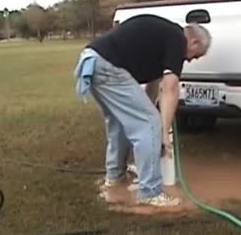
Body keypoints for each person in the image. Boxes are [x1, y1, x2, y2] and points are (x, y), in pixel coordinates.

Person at [74, 14, 212, 207]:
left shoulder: (164, 38)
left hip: (93, 61)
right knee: (149, 124)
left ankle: (115, 178)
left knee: (121, 123)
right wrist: (162, 131)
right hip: (107, 66)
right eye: (195, 55)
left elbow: (154, 87)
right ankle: (150, 191)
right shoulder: (177, 39)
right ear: (194, 41)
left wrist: (147, 112)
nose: (190, 61)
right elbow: (170, 88)